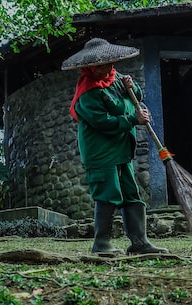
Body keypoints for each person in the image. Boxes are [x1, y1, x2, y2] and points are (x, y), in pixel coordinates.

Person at [61, 38, 169, 256]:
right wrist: (133, 119)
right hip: (101, 153)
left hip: (121, 150)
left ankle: (140, 243)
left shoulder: (116, 78)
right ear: (88, 67)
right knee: (108, 194)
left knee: (131, 194)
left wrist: (133, 86)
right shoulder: (87, 93)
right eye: (101, 66)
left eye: (110, 63)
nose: (107, 69)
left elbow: (135, 96)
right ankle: (101, 244)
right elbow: (102, 121)